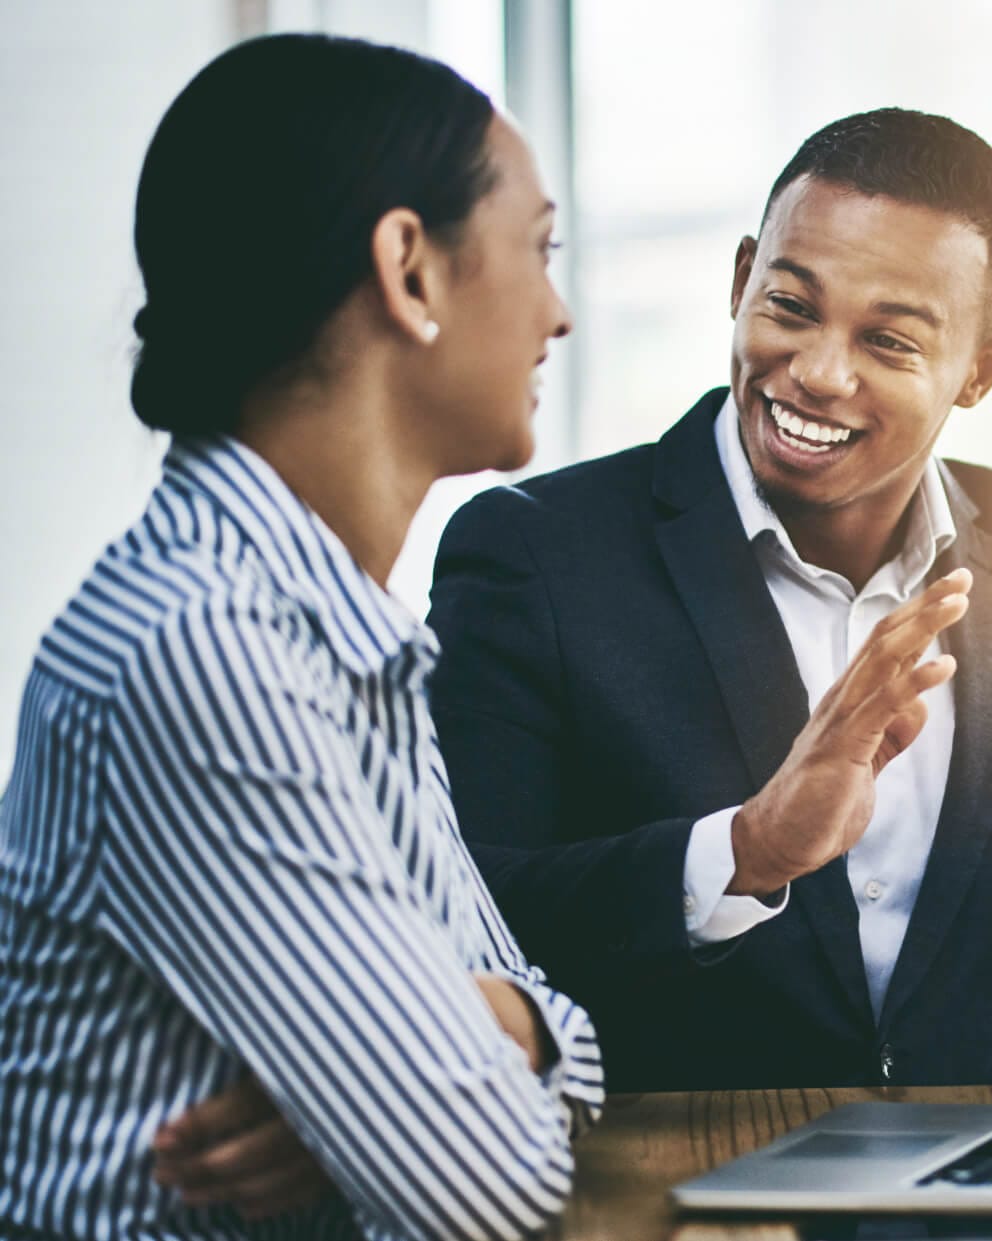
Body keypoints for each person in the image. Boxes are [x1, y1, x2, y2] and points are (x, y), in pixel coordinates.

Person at [428, 108, 992, 1093]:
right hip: (671, 1196)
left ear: (981, 370)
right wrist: (746, 851)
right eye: (789, 306)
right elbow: (461, 941)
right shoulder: (533, 554)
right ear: (742, 282)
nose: (820, 372)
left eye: (890, 342)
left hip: (979, 1207)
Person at [0, 34, 601, 1240]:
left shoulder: (339, 631)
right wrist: (441, 1062)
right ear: (409, 271)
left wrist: (501, 1027)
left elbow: (565, 1046)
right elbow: (487, 1184)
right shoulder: (209, 649)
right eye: (537, 250)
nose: (560, 312)